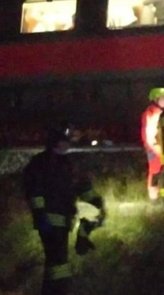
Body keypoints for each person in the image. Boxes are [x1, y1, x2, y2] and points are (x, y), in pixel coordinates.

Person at [22, 125, 106, 295]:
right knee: (58, 262)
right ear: (56, 143)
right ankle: (58, 291)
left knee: (56, 263)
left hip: (62, 219)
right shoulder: (41, 164)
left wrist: (96, 201)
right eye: (64, 142)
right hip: (49, 220)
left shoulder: (67, 164)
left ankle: (51, 290)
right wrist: (40, 214)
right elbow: (34, 191)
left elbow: (81, 187)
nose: (68, 145)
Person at [142, 87, 164, 202]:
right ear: (155, 100)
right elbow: (150, 135)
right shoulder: (152, 113)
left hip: (163, 147)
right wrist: (156, 148)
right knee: (155, 171)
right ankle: (154, 198)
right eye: (163, 98)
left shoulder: (162, 112)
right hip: (154, 148)